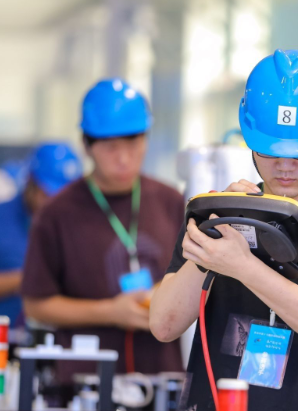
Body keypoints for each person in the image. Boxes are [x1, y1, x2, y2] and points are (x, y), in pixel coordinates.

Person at [150, 50, 298, 411]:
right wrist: (213, 237)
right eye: (271, 150)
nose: (285, 166)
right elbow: (164, 325)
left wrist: (244, 267)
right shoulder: (218, 213)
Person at [21, 79, 186, 383]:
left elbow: (196, 280)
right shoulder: (57, 214)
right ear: (87, 146)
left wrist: (164, 293)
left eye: (133, 144)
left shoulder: (171, 202)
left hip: (163, 376)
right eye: (111, 148)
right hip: (86, 383)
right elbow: (36, 305)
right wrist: (110, 312)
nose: (123, 159)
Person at [0, 143, 82, 329]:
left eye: (62, 197)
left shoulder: (77, 225)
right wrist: (25, 279)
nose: (55, 204)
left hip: (56, 335)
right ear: (30, 182)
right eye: (48, 194)